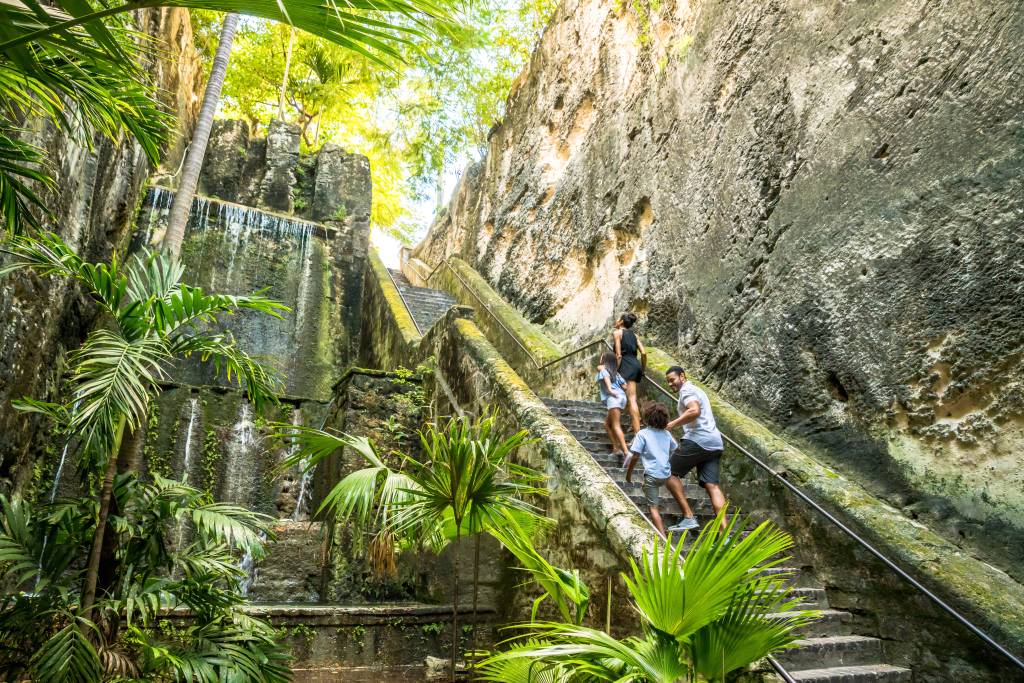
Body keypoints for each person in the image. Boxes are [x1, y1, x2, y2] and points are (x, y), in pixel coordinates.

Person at [665, 365, 728, 531]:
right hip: (715, 443)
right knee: (712, 486)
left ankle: (688, 517)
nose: (670, 384)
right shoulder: (698, 390)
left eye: (672, 380)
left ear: (682, 376)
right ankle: (725, 534)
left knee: (667, 472)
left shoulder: (687, 391)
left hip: (698, 439)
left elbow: (694, 410)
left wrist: (672, 424)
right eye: (668, 382)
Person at [625, 402, 700, 535]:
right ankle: (646, 486)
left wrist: (629, 474)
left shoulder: (642, 434)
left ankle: (662, 538)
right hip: (665, 475)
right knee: (650, 485)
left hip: (652, 476)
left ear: (647, 418)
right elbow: (676, 448)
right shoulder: (666, 434)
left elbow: (635, 456)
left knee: (653, 508)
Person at [613, 312, 647, 436]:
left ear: (621, 321)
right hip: (635, 365)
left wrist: (614, 371)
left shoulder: (617, 333)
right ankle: (634, 424)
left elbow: (618, 355)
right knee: (631, 398)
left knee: (630, 399)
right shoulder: (635, 335)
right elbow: (643, 353)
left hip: (625, 366)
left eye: (617, 319)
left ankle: (638, 433)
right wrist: (642, 370)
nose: (615, 321)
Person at [596, 351, 630, 462]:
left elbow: (609, 387)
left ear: (605, 360)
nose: (600, 358)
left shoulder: (604, 371)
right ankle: (616, 448)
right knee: (607, 424)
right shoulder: (616, 373)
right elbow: (625, 387)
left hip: (614, 398)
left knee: (615, 425)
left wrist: (612, 392)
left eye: (602, 357)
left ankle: (626, 452)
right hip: (622, 398)